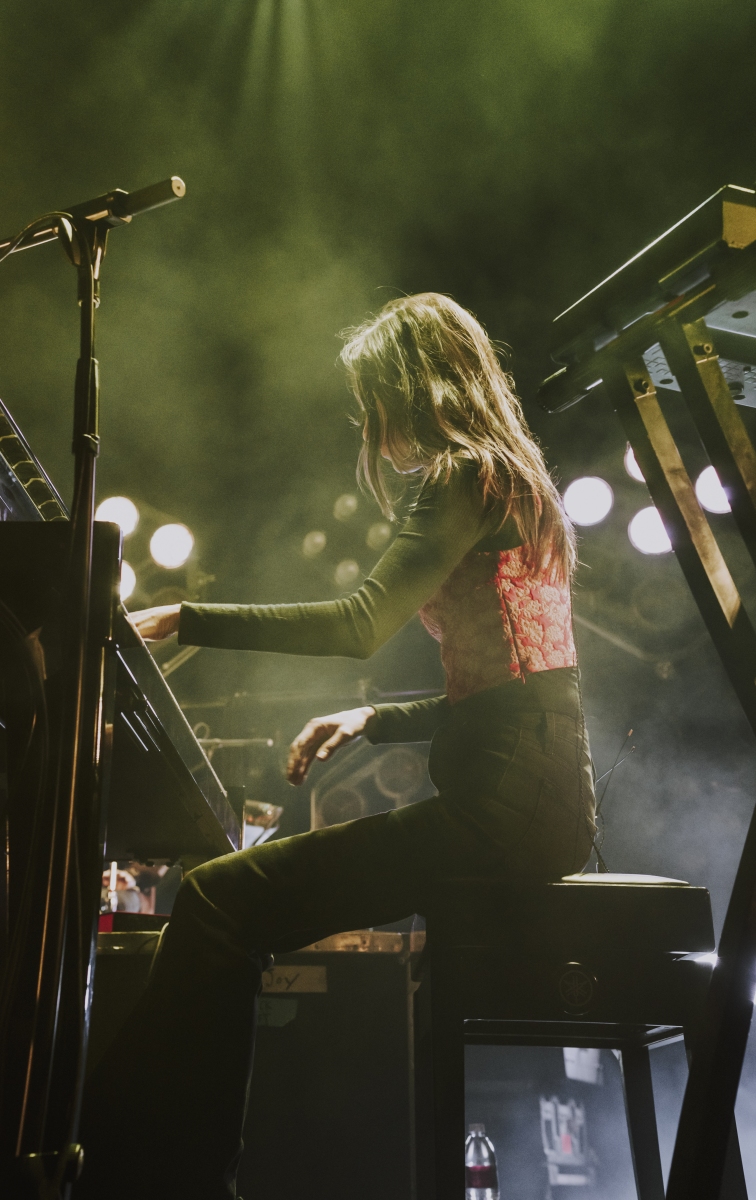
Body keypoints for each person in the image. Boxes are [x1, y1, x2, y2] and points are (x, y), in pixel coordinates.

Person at [79, 293, 595, 1198]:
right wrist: (375, 720)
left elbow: (360, 624)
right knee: (229, 903)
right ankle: (158, 1163)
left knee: (217, 901)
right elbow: (528, 686)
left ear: (411, 387)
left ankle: (160, 1171)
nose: (369, 426)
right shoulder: (517, 480)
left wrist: (189, 615)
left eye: (371, 402)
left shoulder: (461, 474)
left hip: (503, 810)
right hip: (545, 802)